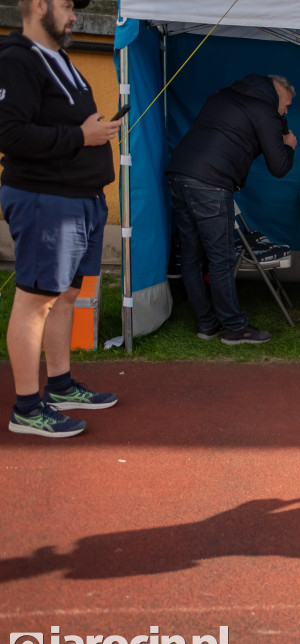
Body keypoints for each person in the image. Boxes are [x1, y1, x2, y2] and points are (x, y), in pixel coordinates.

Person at [0, 0, 121, 438]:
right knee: (36, 301)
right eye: (68, 5)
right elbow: (9, 133)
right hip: (45, 199)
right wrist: (80, 136)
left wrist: (93, 132)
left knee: (66, 296)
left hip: (81, 198)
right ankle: (28, 409)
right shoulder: (16, 60)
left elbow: (67, 124)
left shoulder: (61, 58)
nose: (74, 16)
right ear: (37, 4)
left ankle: (62, 385)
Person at [165, 74, 297, 345]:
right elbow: (280, 166)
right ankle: (235, 328)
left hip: (179, 174)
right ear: (278, 92)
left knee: (191, 255)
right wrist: (290, 146)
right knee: (221, 258)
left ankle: (207, 324)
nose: (285, 110)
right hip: (210, 183)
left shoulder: (223, 95)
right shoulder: (265, 111)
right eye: (287, 104)